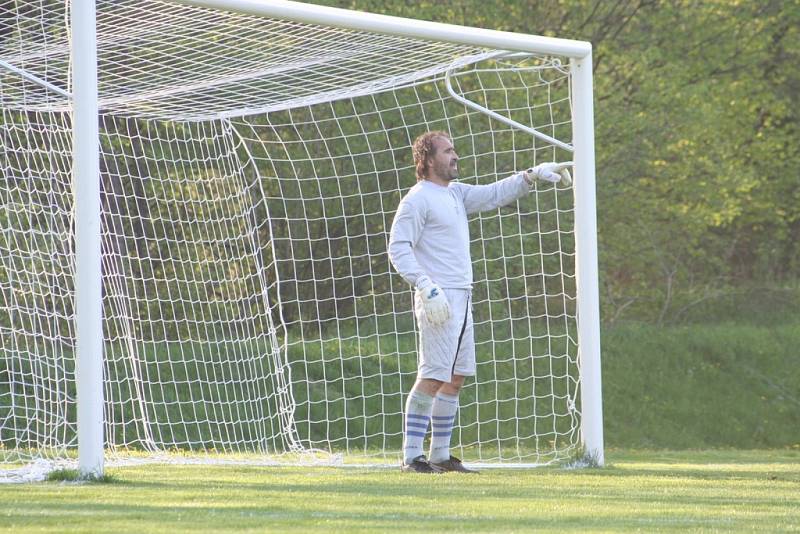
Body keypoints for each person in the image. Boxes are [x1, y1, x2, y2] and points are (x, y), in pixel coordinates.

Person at [388, 131, 571, 473]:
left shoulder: (455, 193)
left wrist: (530, 175)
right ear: (428, 159)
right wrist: (425, 286)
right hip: (437, 298)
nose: (456, 155)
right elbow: (398, 247)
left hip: (463, 295)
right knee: (433, 375)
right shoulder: (417, 199)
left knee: (456, 377)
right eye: (448, 150)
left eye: (455, 149)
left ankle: (440, 455)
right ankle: (412, 457)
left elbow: (492, 194)